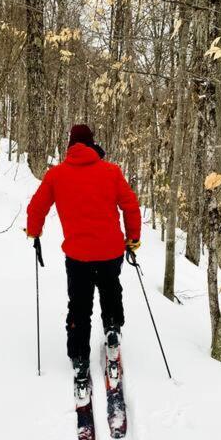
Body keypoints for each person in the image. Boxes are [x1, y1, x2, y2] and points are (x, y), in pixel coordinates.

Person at [26, 124, 141, 384]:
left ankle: (79, 356)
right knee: (111, 290)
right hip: (111, 252)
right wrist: (133, 238)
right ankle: (112, 330)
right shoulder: (111, 172)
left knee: (79, 305)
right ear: (92, 144)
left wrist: (34, 233)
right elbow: (130, 206)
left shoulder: (56, 175)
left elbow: (36, 208)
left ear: (70, 145)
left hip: (78, 256)